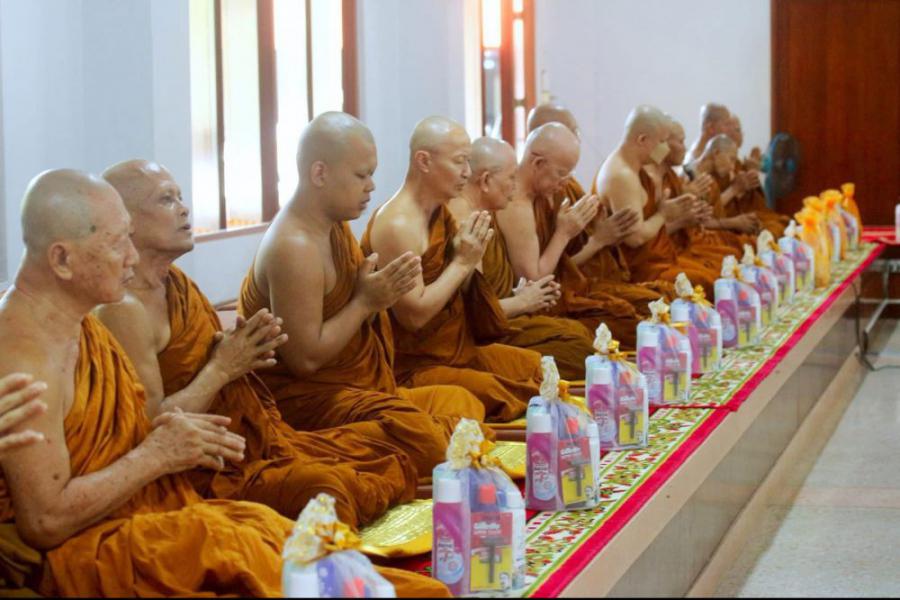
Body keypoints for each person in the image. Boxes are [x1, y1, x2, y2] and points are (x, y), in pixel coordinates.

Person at [0, 168, 447, 598]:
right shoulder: (26, 354)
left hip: (151, 498)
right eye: (118, 245)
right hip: (92, 541)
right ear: (62, 259)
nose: (131, 258)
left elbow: (127, 432)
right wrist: (158, 453)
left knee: (271, 533)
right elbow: (46, 521)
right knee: (259, 543)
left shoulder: (78, 325)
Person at [99, 159, 417, 528]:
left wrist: (246, 353)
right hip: (199, 472)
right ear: (126, 222)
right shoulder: (124, 309)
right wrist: (222, 368)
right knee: (329, 490)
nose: (184, 209)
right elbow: (152, 427)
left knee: (388, 457)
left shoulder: (176, 284)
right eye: (166, 200)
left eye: (181, 197)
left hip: (252, 442)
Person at [239, 112, 487, 475]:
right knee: (426, 439)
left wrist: (372, 296)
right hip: (307, 404)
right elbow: (305, 360)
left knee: (460, 403)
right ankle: (303, 453)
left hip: (357, 390)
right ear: (320, 173)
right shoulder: (295, 246)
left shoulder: (333, 227)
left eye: (371, 174)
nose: (371, 186)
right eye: (361, 176)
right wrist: (366, 302)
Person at [361, 116, 541, 422]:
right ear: (424, 161)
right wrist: (462, 263)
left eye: (468, 161)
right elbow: (415, 316)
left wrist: (469, 258)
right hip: (414, 365)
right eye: (459, 161)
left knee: (534, 368)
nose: (467, 172)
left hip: (456, 350)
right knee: (486, 396)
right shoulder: (398, 224)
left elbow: (462, 297)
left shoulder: (441, 213)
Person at [448, 136, 594, 380]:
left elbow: (484, 298)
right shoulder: (467, 224)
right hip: (475, 340)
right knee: (579, 353)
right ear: (485, 181)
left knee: (578, 338)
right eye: (511, 178)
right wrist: (524, 302)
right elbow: (473, 316)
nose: (515, 187)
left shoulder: (481, 214)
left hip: (499, 321)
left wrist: (521, 296)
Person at [594, 105, 719, 296]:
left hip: (659, 260)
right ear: (642, 139)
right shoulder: (622, 176)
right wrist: (664, 214)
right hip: (637, 272)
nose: (665, 149)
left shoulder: (637, 170)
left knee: (711, 275)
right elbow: (635, 238)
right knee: (708, 283)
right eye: (661, 142)